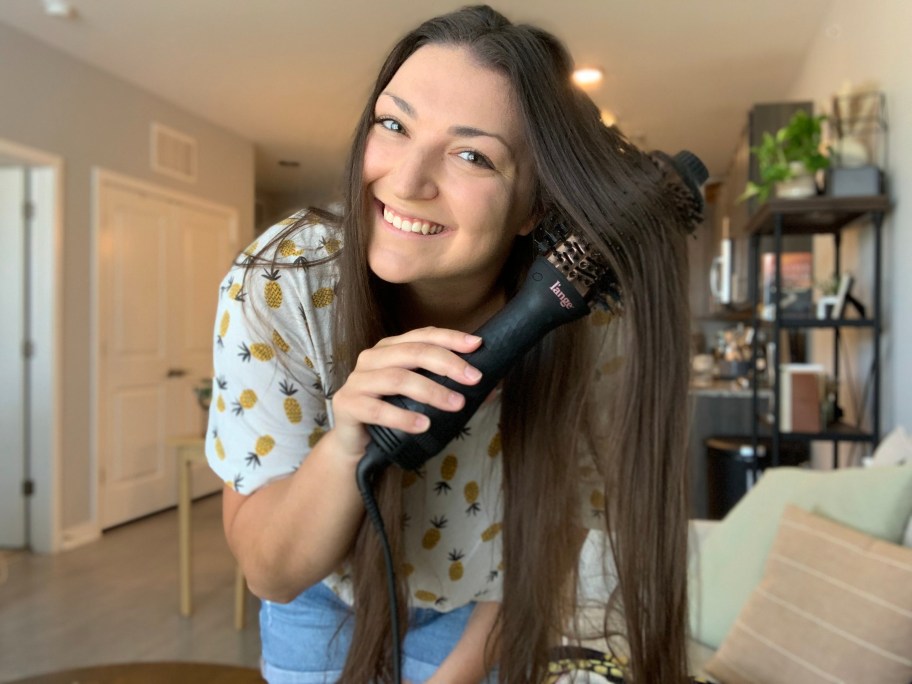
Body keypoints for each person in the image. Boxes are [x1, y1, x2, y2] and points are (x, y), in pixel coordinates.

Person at [206, 5, 700, 683]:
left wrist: (464, 669)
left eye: (473, 155)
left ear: (535, 208)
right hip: (326, 599)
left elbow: (560, 521)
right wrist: (347, 441)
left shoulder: (582, 316)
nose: (407, 182)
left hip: (485, 613)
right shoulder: (284, 281)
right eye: (393, 124)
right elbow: (272, 570)